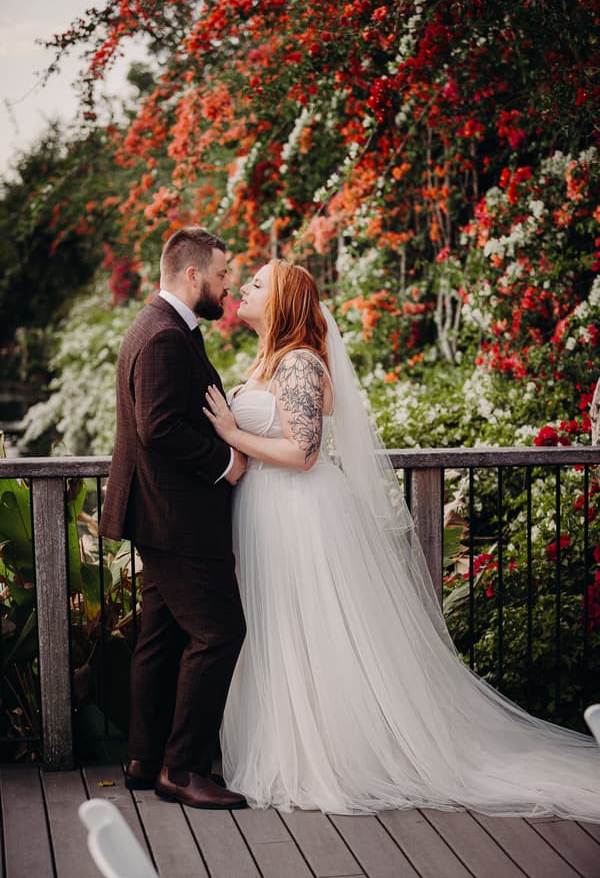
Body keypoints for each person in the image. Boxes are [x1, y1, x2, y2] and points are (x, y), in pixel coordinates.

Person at [203, 258, 600, 820]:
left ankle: (327, 754)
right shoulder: (269, 359)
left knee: (309, 628)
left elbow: (303, 452)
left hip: (298, 514)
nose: (243, 286)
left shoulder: (299, 364)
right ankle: (285, 741)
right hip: (266, 512)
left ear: (284, 301)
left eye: (258, 283)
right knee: (276, 628)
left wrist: (230, 432)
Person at [99, 226, 247, 810]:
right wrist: (227, 463)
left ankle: (143, 758)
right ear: (192, 275)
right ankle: (182, 770)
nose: (227, 282)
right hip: (177, 518)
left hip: (159, 515)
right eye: (223, 272)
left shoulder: (158, 326)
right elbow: (157, 428)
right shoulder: (164, 336)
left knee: (161, 637)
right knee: (219, 633)